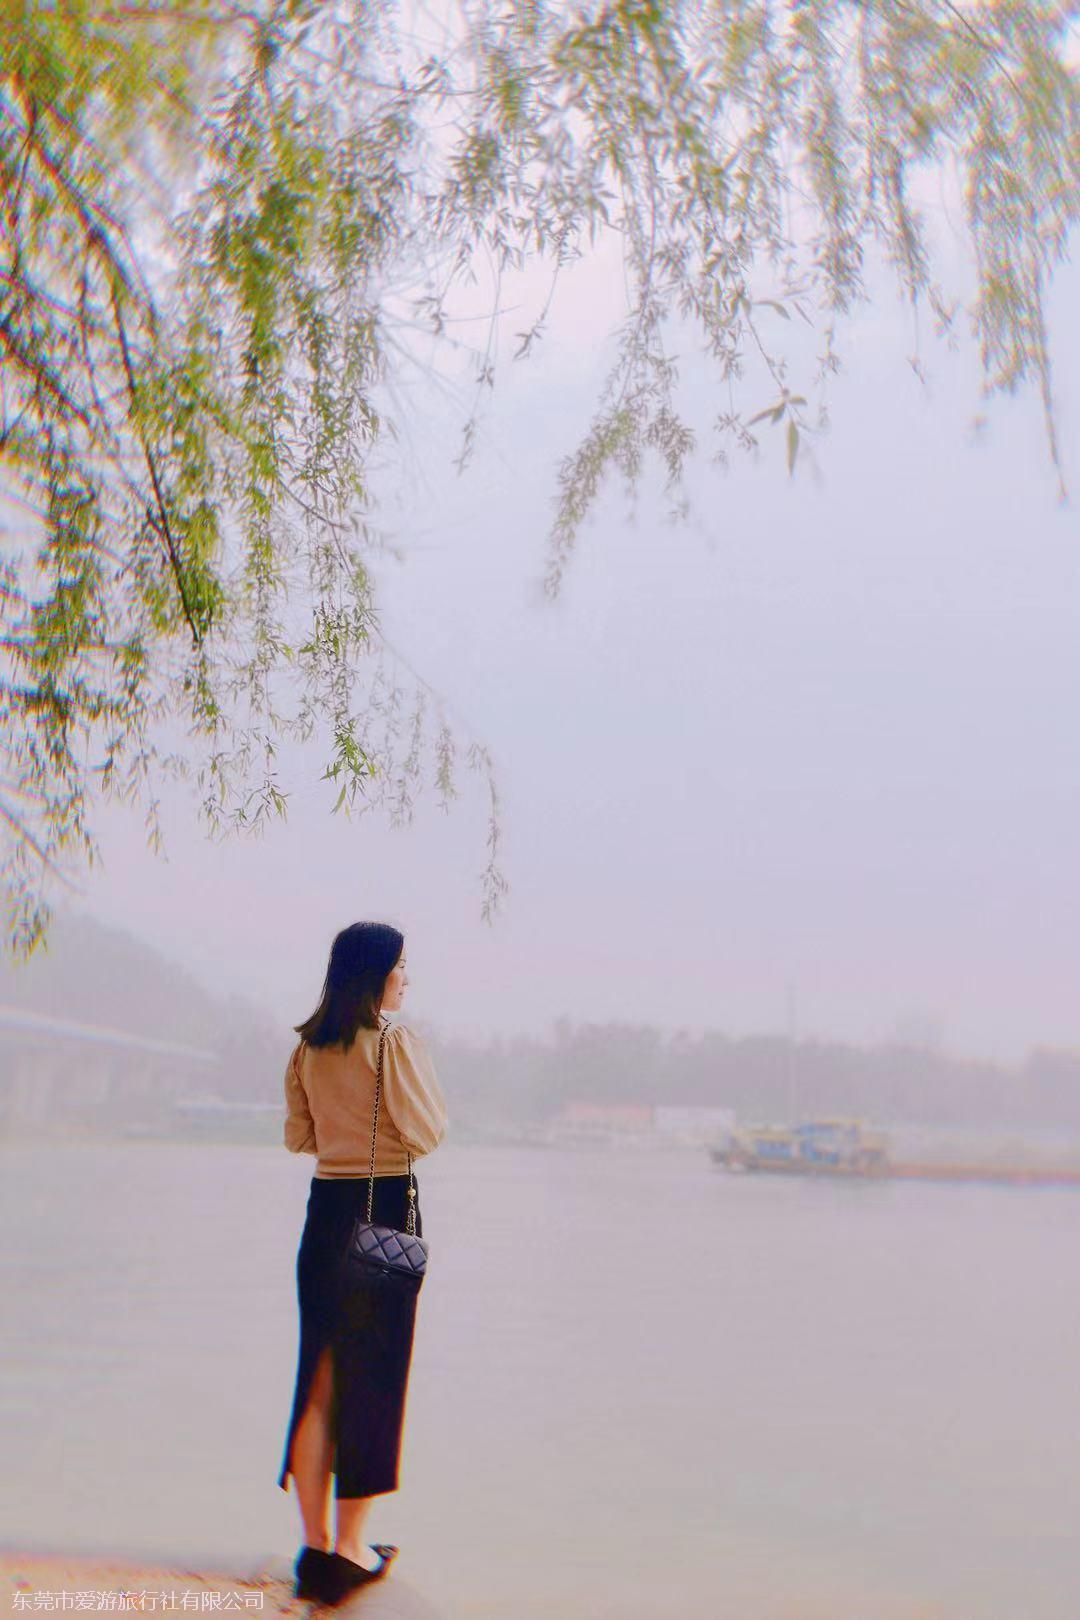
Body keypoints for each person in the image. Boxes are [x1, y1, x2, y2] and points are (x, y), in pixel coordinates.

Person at [277, 922, 448, 1607]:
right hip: (382, 1210)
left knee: (318, 1378)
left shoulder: (307, 1049)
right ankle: (352, 1550)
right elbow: (426, 1133)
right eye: (402, 965)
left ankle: (314, 1547)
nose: (407, 977)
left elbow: (300, 1138)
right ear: (376, 972)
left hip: (324, 1215)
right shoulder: (393, 1044)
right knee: (371, 1379)